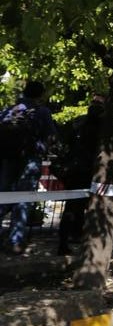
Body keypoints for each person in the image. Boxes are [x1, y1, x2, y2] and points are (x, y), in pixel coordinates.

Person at [1, 80, 56, 255]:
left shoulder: (9, 110)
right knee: (23, 199)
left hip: (7, 158)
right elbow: (51, 137)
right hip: (30, 159)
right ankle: (15, 240)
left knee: (3, 196)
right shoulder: (42, 112)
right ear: (40, 94)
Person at [55, 95, 105, 256]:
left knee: (73, 207)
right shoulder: (101, 126)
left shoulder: (77, 122)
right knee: (83, 207)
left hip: (74, 170)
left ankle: (69, 239)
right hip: (87, 171)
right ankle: (78, 240)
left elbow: (61, 144)